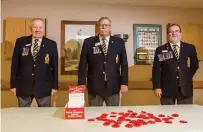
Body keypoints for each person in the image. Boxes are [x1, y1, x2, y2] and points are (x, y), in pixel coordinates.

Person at [78, 17, 128, 106]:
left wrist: (124, 83)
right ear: (98, 27)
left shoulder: (119, 42)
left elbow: (124, 64)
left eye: (106, 25)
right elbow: (82, 64)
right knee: (94, 115)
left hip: (113, 87)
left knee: (113, 115)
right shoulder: (88, 42)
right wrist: (82, 83)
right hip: (94, 87)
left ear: (110, 28)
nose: (104, 27)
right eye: (101, 25)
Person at [10, 18, 58, 107]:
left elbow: (55, 67)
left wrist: (55, 86)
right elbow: (15, 65)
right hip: (23, 86)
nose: (38, 30)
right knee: (23, 115)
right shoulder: (21, 42)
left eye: (40, 27)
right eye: (35, 27)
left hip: (44, 87)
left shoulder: (51, 44)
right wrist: (13, 85)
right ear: (30, 28)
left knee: (44, 115)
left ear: (44, 29)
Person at [152, 23, 199, 105]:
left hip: (185, 88)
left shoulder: (190, 48)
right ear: (168, 34)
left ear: (180, 33)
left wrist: (186, 75)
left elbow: (195, 65)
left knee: (185, 115)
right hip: (166, 88)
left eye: (176, 31)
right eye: (171, 31)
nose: (174, 33)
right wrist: (157, 87)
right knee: (167, 115)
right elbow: (156, 70)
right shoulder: (160, 49)